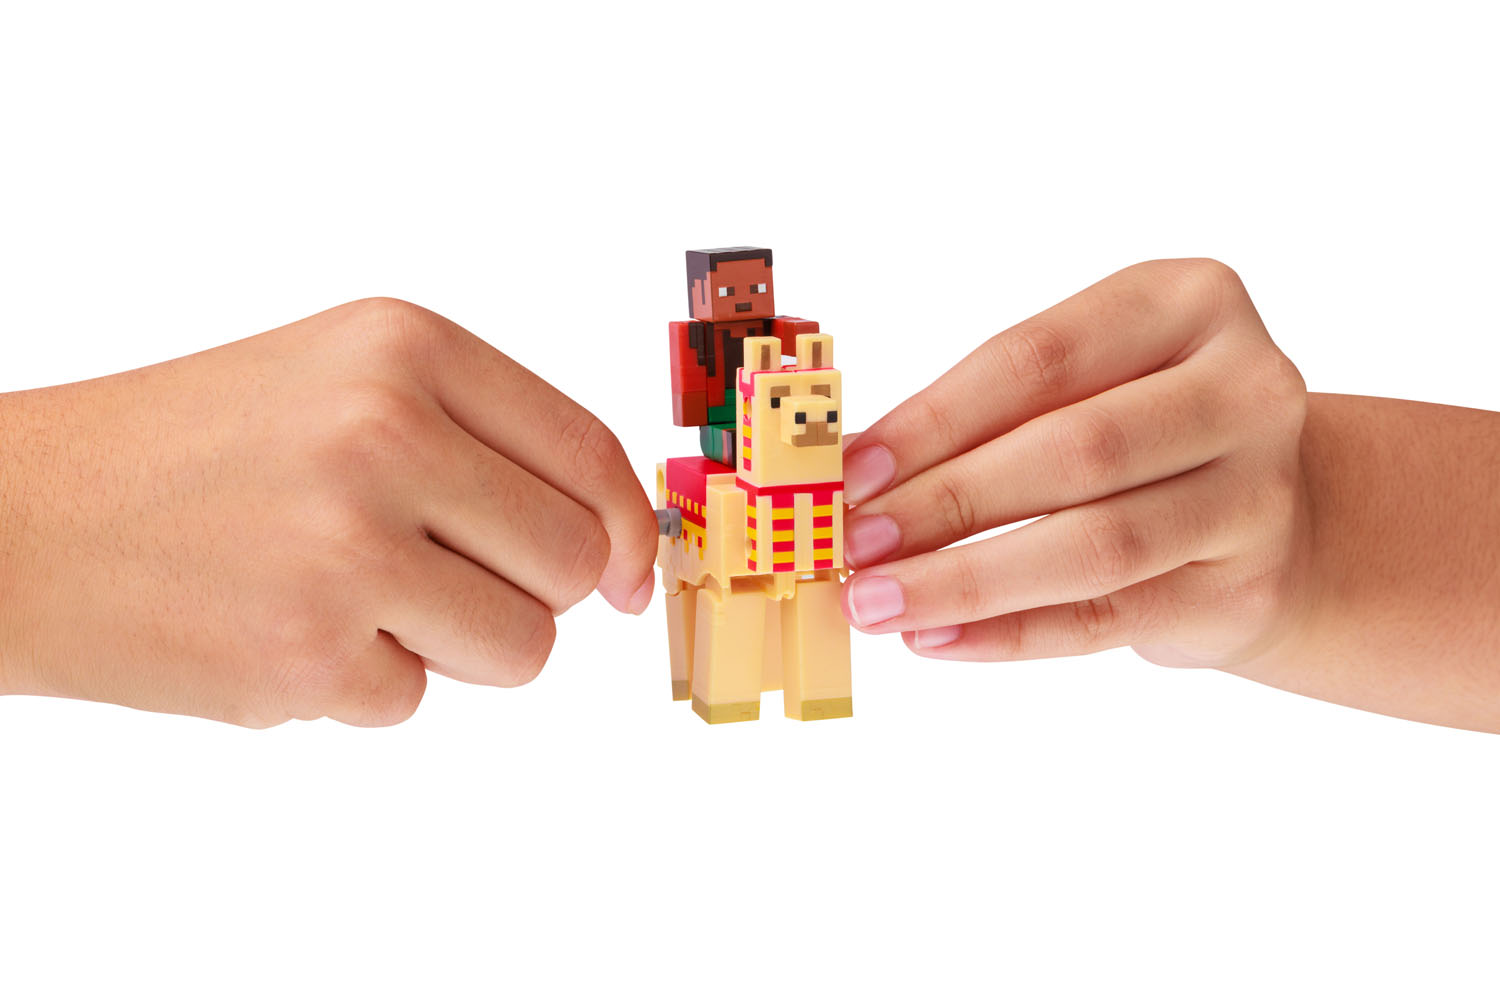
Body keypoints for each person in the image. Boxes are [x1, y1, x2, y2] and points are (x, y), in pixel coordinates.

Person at [2, 260, 1496, 731]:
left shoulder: (787, 435)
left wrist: (1326, 536)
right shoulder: (713, 458)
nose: (791, 402)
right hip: (737, 563)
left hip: (786, 562)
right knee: (741, 653)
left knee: (779, 651)